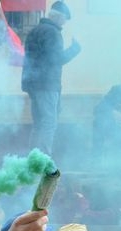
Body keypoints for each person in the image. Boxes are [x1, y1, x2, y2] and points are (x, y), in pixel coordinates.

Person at [21, 1, 81, 154]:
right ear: (59, 17)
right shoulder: (52, 33)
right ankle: (44, 160)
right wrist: (75, 49)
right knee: (49, 123)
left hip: (33, 84)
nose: (64, 23)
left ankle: (33, 159)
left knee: (38, 124)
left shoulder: (35, 30)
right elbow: (56, 59)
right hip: (47, 85)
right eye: (64, 19)